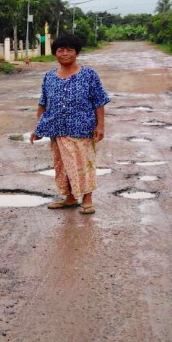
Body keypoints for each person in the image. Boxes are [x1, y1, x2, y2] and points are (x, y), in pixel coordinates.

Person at [31, 34, 110, 215]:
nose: (65, 54)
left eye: (69, 50)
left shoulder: (89, 74)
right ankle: (70, 197)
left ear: (77, 53)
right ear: (55, 53)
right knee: (63, 165)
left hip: (82, 128)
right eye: (61, 50)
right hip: (57, 129)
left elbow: (99, 101)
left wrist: (100, 126)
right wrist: (38, 127)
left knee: (83, 164)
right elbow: (43, 102)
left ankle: (87, 199)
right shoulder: (49, 76)